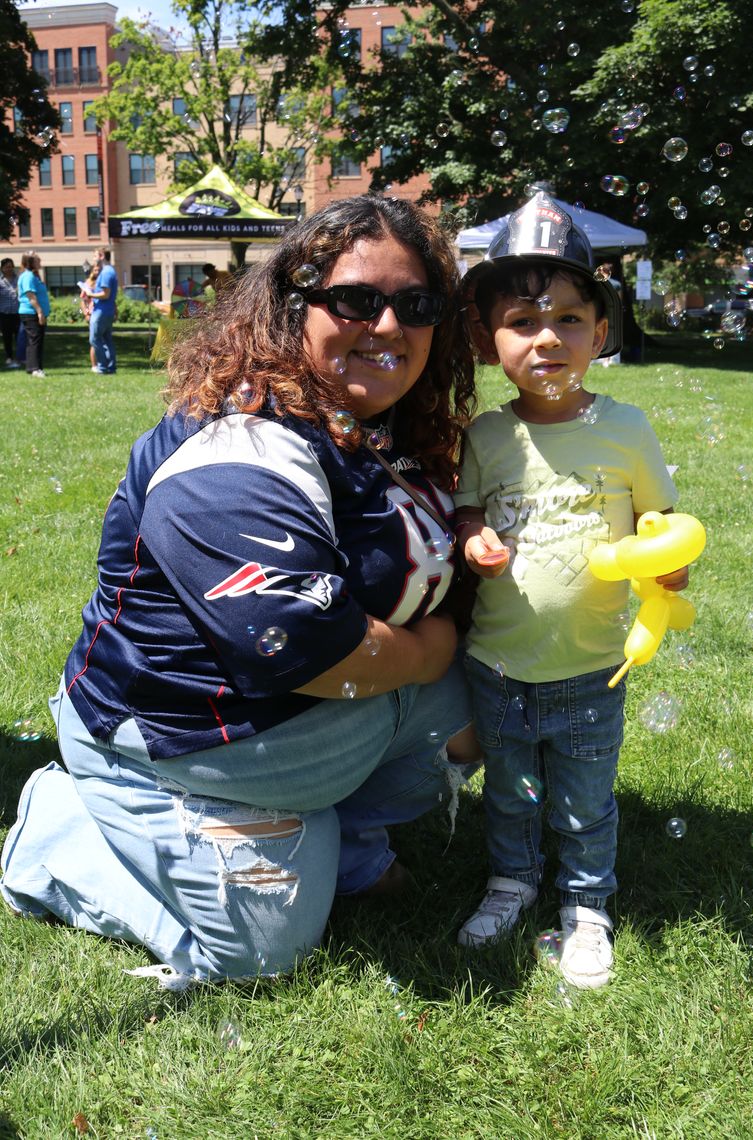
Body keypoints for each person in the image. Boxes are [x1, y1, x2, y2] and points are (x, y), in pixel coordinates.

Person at [1, 195, 481, 990]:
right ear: (293, 307)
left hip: (311, 728)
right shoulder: (237, 450)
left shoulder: (374, 422)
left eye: (417, 304)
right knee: (263, 957)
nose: (390, 326)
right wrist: (434, 652)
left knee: (501, 692)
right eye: (357, 301)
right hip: (175, 749)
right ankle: (58, 838)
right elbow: (303, 646)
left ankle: (343, 842)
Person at [454, 193, 691, 989]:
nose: (547, 337)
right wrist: (470, 537)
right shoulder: (487, 436)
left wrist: (668, 564)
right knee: (513, 795)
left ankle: (587, 907)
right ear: (492, 340)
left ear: (600, 331)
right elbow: (467, 510)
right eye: (522, 321)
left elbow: (662, 520)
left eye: (568, 319)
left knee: (585, 804)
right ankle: (512, 881)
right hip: (498, 663)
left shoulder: (626, 429)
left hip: (592, 669)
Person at [17, 251, 50, 378]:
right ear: (31, 262)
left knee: (36, 340)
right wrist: (40, 312)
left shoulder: (33, 275)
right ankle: (35, 369)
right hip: (31, 313)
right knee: (35, 340)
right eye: (37, 260)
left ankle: (34, 367)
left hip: (34, 312)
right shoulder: (28, 276)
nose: (40, 261)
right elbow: (30, 295)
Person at [89, 246, 118, 374]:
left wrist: (90, 294)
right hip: (107, 310)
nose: (93, 258)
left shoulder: (106, 272)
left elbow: (105, 294)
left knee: (94, 339)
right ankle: (111, 367)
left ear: (101, 256)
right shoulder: (109, 270)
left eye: (95, 255)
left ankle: (102, 366)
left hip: (101, 311)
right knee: (107, 339)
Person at [0, 257, 21, 369]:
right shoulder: (0, 282)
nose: (9, 269)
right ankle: (9, 357)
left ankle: (19, 357)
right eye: (6, 267)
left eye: (11, 266)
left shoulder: (19, 280)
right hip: (4, 314)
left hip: (18, 314)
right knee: (7, 337)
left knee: (19, 336)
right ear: (2, 268)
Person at [80, 267, 99, 370]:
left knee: (102, 339)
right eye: (95, 270)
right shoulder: (87, 283)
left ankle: (102, 363)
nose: (97, 272)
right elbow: (83, 301)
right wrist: (86, 314)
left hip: (102, 313)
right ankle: (94, 365)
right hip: (92, 314)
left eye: (98, 270)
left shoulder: (102, 281)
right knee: (95, 339)